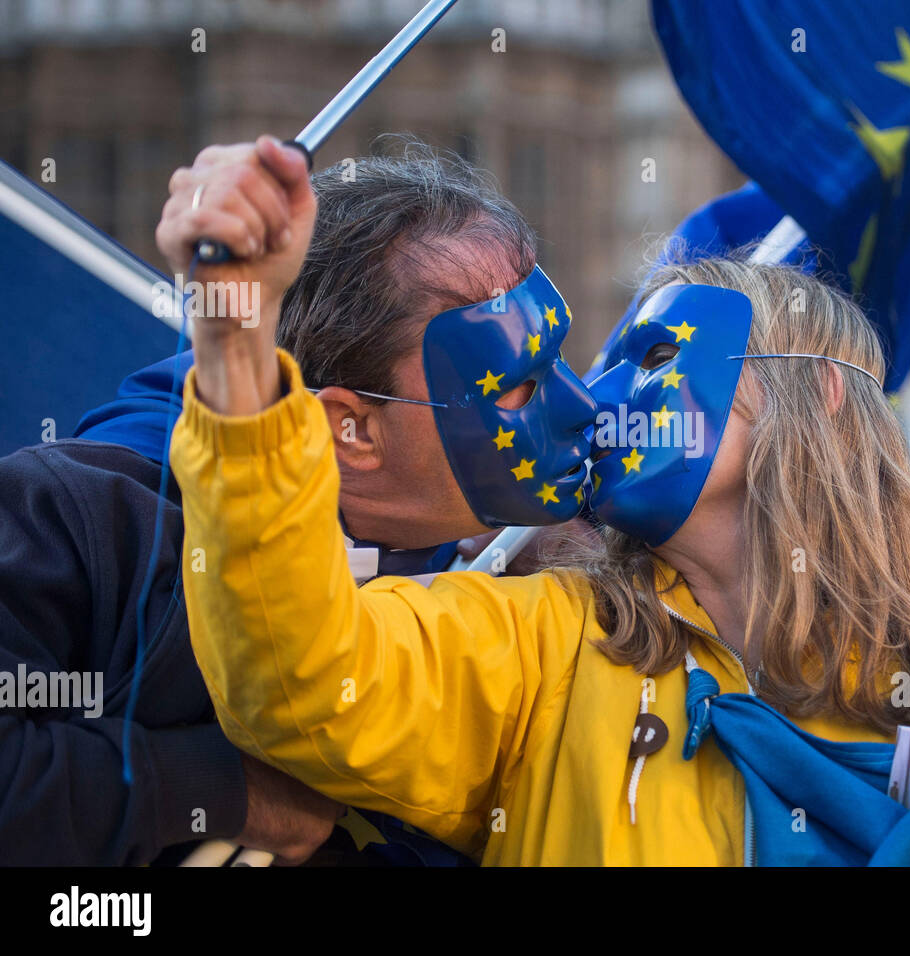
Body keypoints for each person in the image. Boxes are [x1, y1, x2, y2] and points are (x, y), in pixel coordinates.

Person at [170, 141, 910, 864]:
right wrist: (232, 340)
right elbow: (301, 682)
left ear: (809, 407)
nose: (598, 394)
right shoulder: (543, 653)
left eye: (655, 352)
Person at [0, 135, 595, 865]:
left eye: (558, 357)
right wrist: (223, 792)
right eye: (519, 384)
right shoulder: (79, 521)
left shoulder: (505, 587)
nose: (582, 407)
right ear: (350, 429)